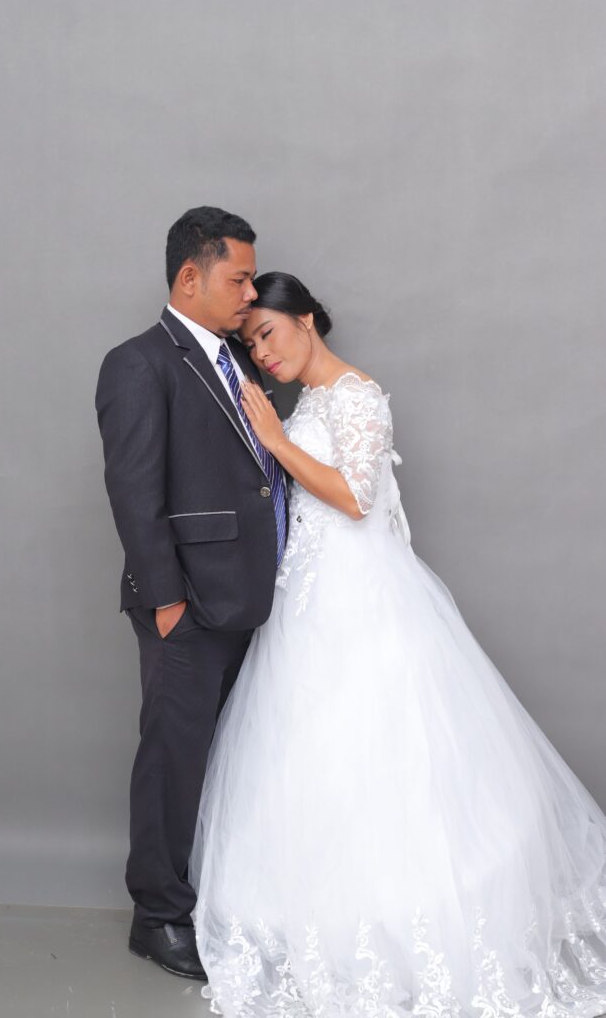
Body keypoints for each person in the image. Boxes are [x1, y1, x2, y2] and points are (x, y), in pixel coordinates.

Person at [190, 271, 606, 1016]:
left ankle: (402, 919)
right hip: (305, 602)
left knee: (380, 749)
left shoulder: (356, 395)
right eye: (251, 345)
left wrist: (275, 441)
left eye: (268, 334)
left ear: (307, 319)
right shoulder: (310, 401)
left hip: (361, 597)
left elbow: (356, 497)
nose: (262, 355)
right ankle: (318, 915)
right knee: (310, 753)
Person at [95, 209, 287, 980]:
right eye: (238, 279)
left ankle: (214, 899)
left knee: (233, 755)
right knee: (173, 759)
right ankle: (158, 916)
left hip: (248, 597)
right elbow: (133, 491)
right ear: (189, 277)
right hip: (188, 603)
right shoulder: (138, 363)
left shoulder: (239, 358)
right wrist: (166, 601)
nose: (249, 294)